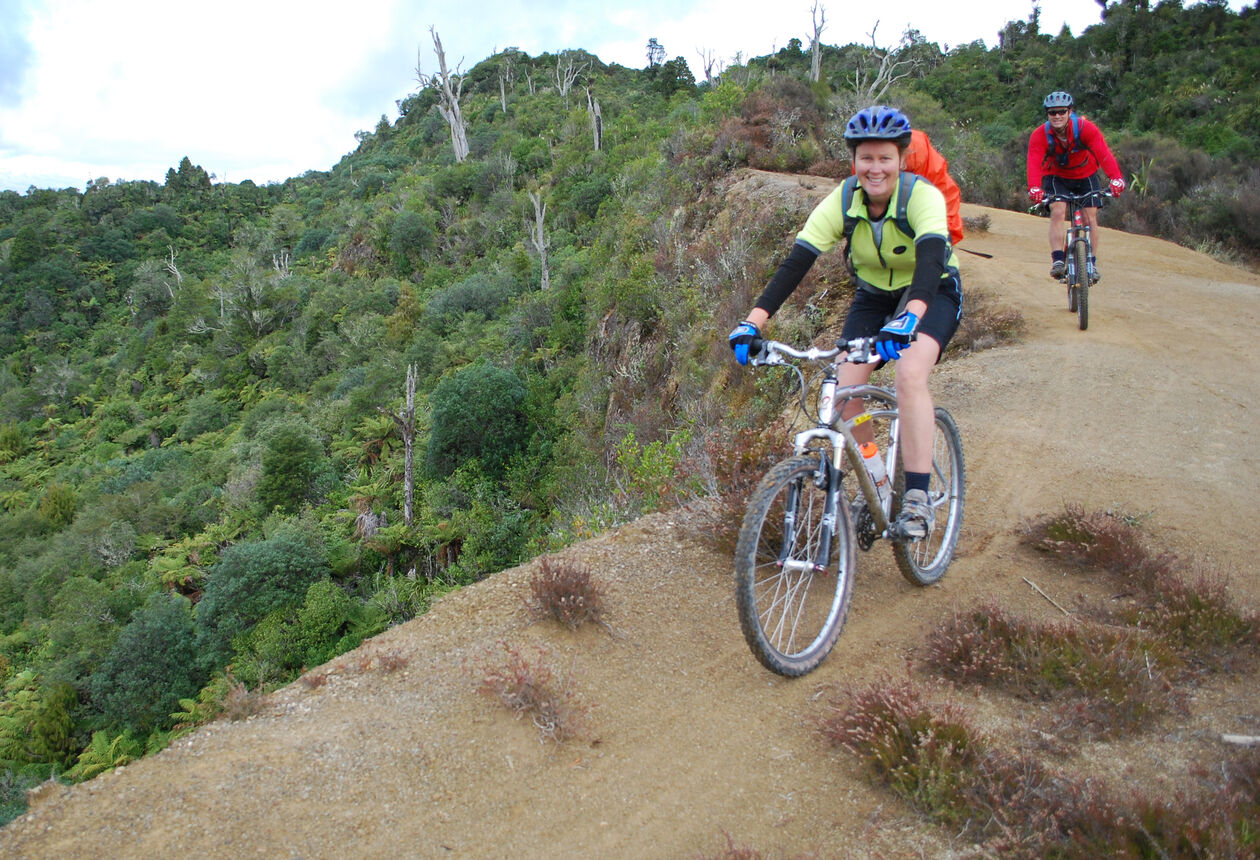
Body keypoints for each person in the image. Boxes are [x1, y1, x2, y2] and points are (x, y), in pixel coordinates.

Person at [728, 105, 963, 538]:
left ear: (901, 158)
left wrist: (909, 319)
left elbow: (930, 263)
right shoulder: (843, 200)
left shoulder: (921, 196)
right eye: (866, 159)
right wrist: (752, 323)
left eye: (885, 158)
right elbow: (796, 263)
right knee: (843, 389)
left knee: (910, 376)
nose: (875, 168)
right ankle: (876, 475)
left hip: (932, 293)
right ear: (854, 161)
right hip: (874, 297)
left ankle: (916, 497)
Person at [1026, 91, 1125, 282]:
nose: (1057, 116)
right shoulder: (1040, 135)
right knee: (1058, 210)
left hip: (1086, 174)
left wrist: (1116, 179)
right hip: (1056, 177)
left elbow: (1103, 154)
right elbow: (1034, 161)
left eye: (1061, 111)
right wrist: (1034, 188)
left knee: (1090, 217)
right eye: (1052, 113)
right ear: (1047, 114)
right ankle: (1058, 260)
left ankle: (1091, 264)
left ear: (1070, 111)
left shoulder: (1085, 128)